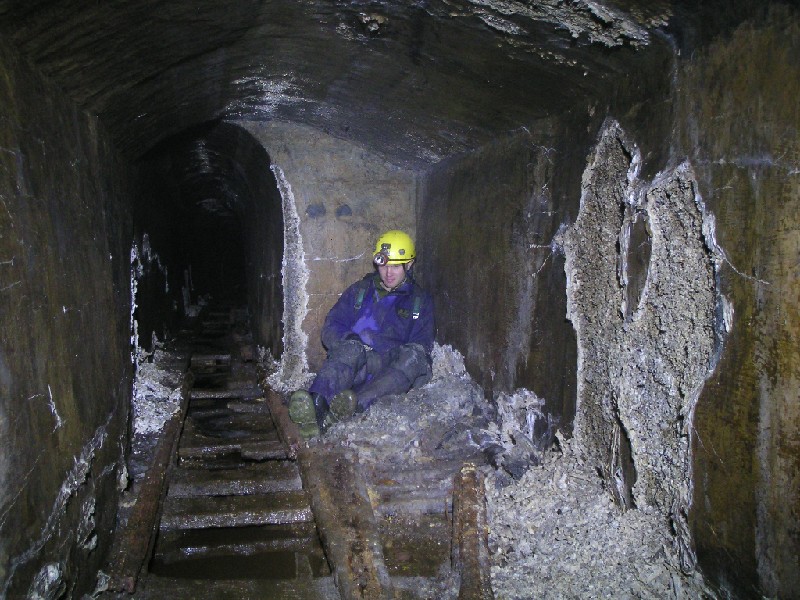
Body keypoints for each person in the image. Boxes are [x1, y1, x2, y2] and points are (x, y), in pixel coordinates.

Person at [289, 230, 435, 439]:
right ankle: (316, 405)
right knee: (350, 347)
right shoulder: (360, 291)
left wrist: (397, 360)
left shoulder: (419, 302)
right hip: (354, 366)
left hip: (387, 374)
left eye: (395, 266)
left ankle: (351, 408)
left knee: (414, 358)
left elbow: (421, 347)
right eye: (384, 265)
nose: (388, 273)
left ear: (409, 265)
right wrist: (350, 342)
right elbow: (332, 325)